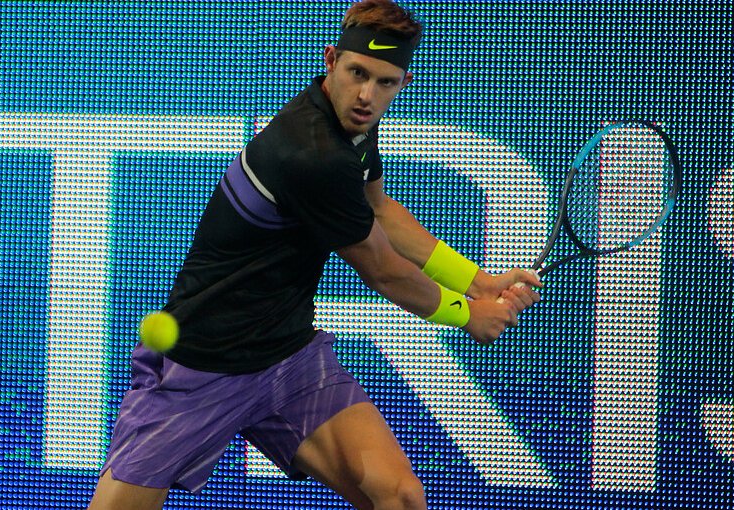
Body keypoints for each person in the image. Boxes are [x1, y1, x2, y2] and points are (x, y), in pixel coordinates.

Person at [88, 1, 541, 508]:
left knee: (399, 496)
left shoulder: (354, 127)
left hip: (287, 357)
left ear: (402, 82)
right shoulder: (312, 154)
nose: (367, 95)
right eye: (357, 74)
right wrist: (467, 314)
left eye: (385, 82)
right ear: (331, 61)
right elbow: (383, 271)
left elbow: (381, 211)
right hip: (204, 364)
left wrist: (475, 281)